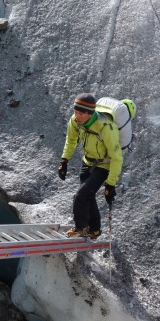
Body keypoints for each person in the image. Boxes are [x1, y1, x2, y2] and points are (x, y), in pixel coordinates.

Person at [58, 93, 123, 239]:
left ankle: (81, 228)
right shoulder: (75, 121)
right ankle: (95, 230)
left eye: (81, 113)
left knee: (80, 196)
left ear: (90, 113)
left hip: (104, 166)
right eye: (75, 111)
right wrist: (64, 160)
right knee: (88, 195)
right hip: (87, 162)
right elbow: (71, 140)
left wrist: (110, 184)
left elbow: (117, 158)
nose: (77, 116)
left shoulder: (105, 127)